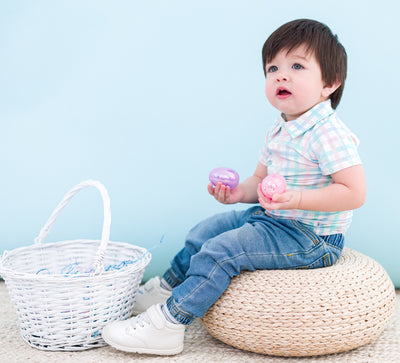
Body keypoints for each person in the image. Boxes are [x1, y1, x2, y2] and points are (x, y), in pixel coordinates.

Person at [102, 18, 367, 355]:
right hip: (274, 220)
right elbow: (258, 182)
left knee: (222, 252)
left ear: (329, 83)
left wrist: (296, 197)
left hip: (311, 237)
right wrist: (238, 194)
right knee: (205, 231)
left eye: (297, 66)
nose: (281, 75)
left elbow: (354, 193)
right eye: (272, 68)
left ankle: (168, 324)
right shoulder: (280, 129)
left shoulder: (328, 133)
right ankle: (168, 287)